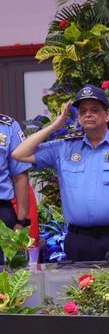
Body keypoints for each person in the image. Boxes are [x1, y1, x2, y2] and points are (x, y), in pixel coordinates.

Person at [12, 84, 109, 261]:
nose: (88, 114)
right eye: (82, 111)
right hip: (78, 240)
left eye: (94, 110)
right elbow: (19, 154)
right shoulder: (63, 148)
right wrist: (55, 126)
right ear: (77, 117)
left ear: (107, 115)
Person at [0, 114, 32, 266]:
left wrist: (22, 221)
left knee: (5, 271)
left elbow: (20, 176)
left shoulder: (8, 127)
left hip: (2, 215)